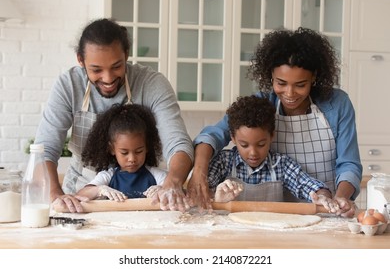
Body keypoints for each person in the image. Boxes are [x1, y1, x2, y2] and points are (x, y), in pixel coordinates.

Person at [189, 27, 362, 217]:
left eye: (300, 85)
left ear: (314, 77)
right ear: (270, 75)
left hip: (327, 209)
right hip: (280, 215)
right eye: (281, 83)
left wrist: (341, 198)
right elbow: (212, 136)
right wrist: (199, 172)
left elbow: (349, 164)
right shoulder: (261, 107)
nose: (289, 93)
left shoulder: (336, 104)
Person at [34, 18, 193, 213]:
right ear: (81, 60)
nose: (108, 78)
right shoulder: (69, 86)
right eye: (96, 70)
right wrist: (55, 195)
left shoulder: (152, 84)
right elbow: (45, 149)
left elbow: (178, 143)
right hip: (82, 196)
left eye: (117, 66)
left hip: (144, 198)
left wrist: (171, 184)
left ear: (126, 55)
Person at [211, 95, 338, 213]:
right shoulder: (224, 162)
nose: (253, 153)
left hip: (272, 234)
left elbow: (307, 184)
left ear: (272, 136)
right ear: (233, 138)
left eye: (261, 144)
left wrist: (322, 196)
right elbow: (201, 191)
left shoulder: (281, 165)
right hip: (232, 234)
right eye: (244, 145)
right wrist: (216, 199)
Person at [76, 103, 167, 201]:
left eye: (139, 151)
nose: (132, 159)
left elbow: (177, 190)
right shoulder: (107, 176)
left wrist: (163, 189)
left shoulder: (157, 175)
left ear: (147, 148)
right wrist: (99, 190)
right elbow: (81, 194)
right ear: (112, 149)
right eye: (124, 153)